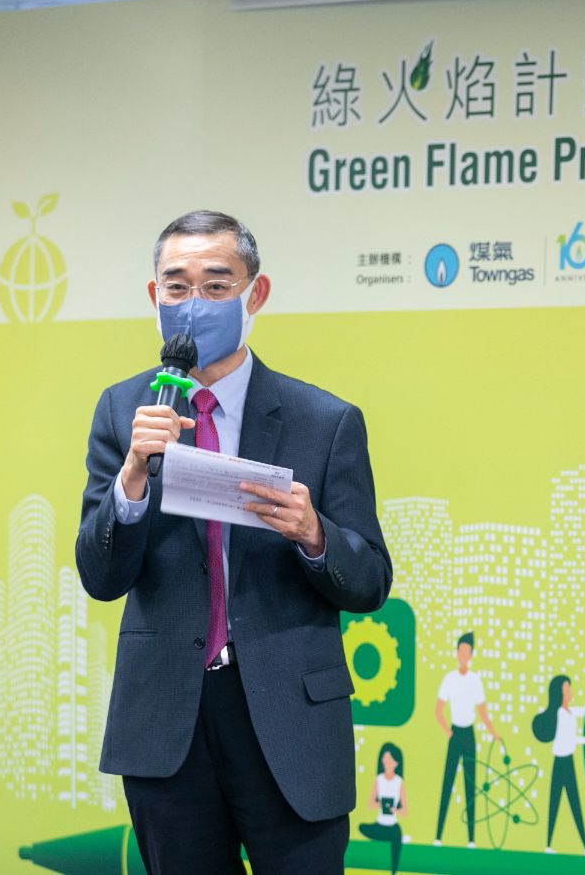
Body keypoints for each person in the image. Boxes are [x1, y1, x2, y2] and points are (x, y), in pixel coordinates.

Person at [75, 210, 392, 874]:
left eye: (217, 286)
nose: (194, 304)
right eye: (177, 286)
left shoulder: (324, 421)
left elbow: (370, 583)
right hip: (168, 723)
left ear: (256, 293)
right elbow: (101, 578)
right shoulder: (124, 411)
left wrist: (314, 534)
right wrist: (132, 478)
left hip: (289, 720)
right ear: (154, 295)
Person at [434, 632, 499, 848]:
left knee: (470, 784)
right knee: (447, 782)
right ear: (456, 652)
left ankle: (471, 839)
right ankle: (438, 835)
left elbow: (483, 712)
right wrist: (448, 731)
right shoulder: (450, 679)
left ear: (471, 655)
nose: (464, 655)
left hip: (469, 735)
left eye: (467, 652)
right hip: (455, 734)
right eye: (461, 651)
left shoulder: (475, 680)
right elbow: (438, 710)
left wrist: (494, 733)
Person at [531, 675, 585, 857]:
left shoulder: (570, 712)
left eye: (569, 687)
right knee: (556, 802)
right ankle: (548, 845)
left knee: (574, 802)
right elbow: (571, 739)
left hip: (568, 760)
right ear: (560, 692)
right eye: (567, 688)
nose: (569, 691)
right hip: (560, 762)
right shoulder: (560, 714)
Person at [358, 743, 409, 875]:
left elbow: (405, 811)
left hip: (393, 825)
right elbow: (370, 804)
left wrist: (394, 809)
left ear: (396, 763)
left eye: (389, 760)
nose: (386, 762)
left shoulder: (399, 782)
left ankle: (393, 871)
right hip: (379, 824)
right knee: (362, 828)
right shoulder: (378, 780)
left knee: (397, 839)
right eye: (384, 759)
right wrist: (380, 804)